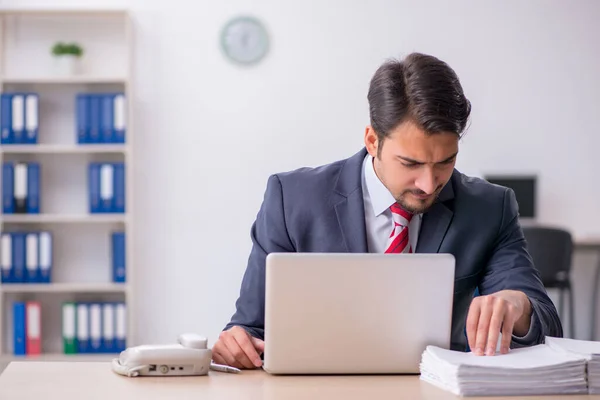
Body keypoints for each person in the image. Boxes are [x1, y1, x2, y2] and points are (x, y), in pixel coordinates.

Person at [211, 52, 563, 370]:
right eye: (410, 163)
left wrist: (516, 305)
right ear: (372, 141)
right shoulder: (291, 199)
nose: (429, 183)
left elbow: (546, 320)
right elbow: (250, 326)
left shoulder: (489, 207)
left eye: (445, 162)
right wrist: (236, 343)